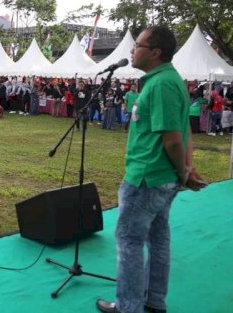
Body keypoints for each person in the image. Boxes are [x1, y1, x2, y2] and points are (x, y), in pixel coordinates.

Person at [96, 26, 207, 313]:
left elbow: (172, 138)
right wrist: (185, 168)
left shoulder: (160, 85)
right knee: (158, 241)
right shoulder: (169, 80)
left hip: (146, 178)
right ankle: (153, 301)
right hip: (162, 177)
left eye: (138, 45)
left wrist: (184, 171)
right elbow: (185, 131)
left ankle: (128, 306)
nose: (132, 50)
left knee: (129, 243)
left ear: (155, 52)